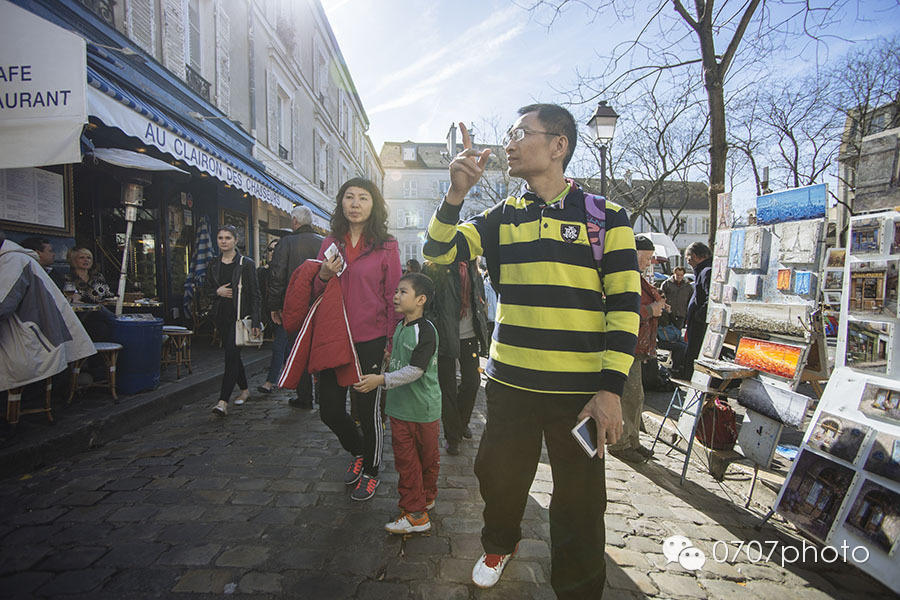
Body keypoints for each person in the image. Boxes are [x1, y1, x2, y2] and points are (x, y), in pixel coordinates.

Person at [423, 105, 640, 597]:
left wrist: (609, 391)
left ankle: (579, 589)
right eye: (508, 135)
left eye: (521, 134)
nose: (509, 144)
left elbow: (625, 310)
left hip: (580, 398)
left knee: (581, 501)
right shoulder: (500, 218)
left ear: (559, 145)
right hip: (510, 389)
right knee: (497, 476)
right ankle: (500, 542)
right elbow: (436, 253)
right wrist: (456, 194)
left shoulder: (607, 218)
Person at [315, 177, 402, 502]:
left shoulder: (387, 245)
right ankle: (360, 451)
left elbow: (393, 295)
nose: (355, 203)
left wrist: (391, 343)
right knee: (330, 410)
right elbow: (315, 292)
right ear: (341, 203)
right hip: (334, 338)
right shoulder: (329, 243)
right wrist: (323, 274)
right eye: (349, 197)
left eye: (362, 198)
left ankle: (372, 470)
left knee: (367, 411)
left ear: (373, 205)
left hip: (370, 340)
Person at [353, 273, 441, 534]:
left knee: (428, 459)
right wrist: (390, 358)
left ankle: (423, 501)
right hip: (400, 410)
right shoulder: (401, 326)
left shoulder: (426, 330)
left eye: (403, 292)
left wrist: (381, 379)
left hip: (424, 409)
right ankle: (416, 510)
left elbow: (416, 370)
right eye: (396, 292)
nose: (395, 296)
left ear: (421, 299)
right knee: (407, 461)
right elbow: (402, 361)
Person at [0, 231, 95, 398]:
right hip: (41, 336)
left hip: (34, 340)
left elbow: (3, 304)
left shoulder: (14, 261)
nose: (52, 254)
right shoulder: (19, 261)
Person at [608, 235, 667, 465]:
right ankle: (621, 443)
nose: (648, 262)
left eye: (651, 258)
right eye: (646, 258)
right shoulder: (623, 276)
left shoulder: (636, 276)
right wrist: (651, 310)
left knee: (637, 396)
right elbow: (620, 310)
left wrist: (656, 306)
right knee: (629, 396)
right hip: (625, 346)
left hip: (635, 346)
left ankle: (632, 440)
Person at [423, 259, 489, 455]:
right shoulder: (435, 266)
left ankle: (460, 423)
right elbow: (428, 303)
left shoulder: (473, 268)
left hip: (469, 335)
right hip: (445, 336)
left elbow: (480, 300)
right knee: (448, 388)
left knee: (473, 381)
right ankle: (453, 437)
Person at [261, 206, 324, 406]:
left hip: (294, 306)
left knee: (299, 350)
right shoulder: (323, 242)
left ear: (295, 223)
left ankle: (304, 397)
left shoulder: (286, 243)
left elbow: (277, 276)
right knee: (320, 349)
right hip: (320, 306)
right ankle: (323, 395)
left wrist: (274, 307)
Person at [204, 225, 261, 416]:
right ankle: (244, 390)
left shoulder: (246, 263)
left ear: (236, 240)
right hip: (221, 317)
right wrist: (217, 292)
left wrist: (255, 321)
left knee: (230, 356)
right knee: (233, 355)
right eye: (220, 238)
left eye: (228, 238)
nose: (224, 241)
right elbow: (204, 290)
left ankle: (222, 402)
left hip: (239, 317)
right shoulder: (213, 263)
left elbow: (255, 294)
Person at [683, 242, 713, 380]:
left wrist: (698, 316)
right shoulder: (703, 271)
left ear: (694, 256)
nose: (688, 263)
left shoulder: (706, 271)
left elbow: (710, 299)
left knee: (695, 354)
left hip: (700, 326)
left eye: (688, 259)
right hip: (697, 323)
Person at [256, 239, 278, 337]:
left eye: (276, 249)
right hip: (264, 311)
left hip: (279, 311)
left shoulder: (286, 271)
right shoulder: (261, 271)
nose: (273, 252)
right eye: (270, 249)